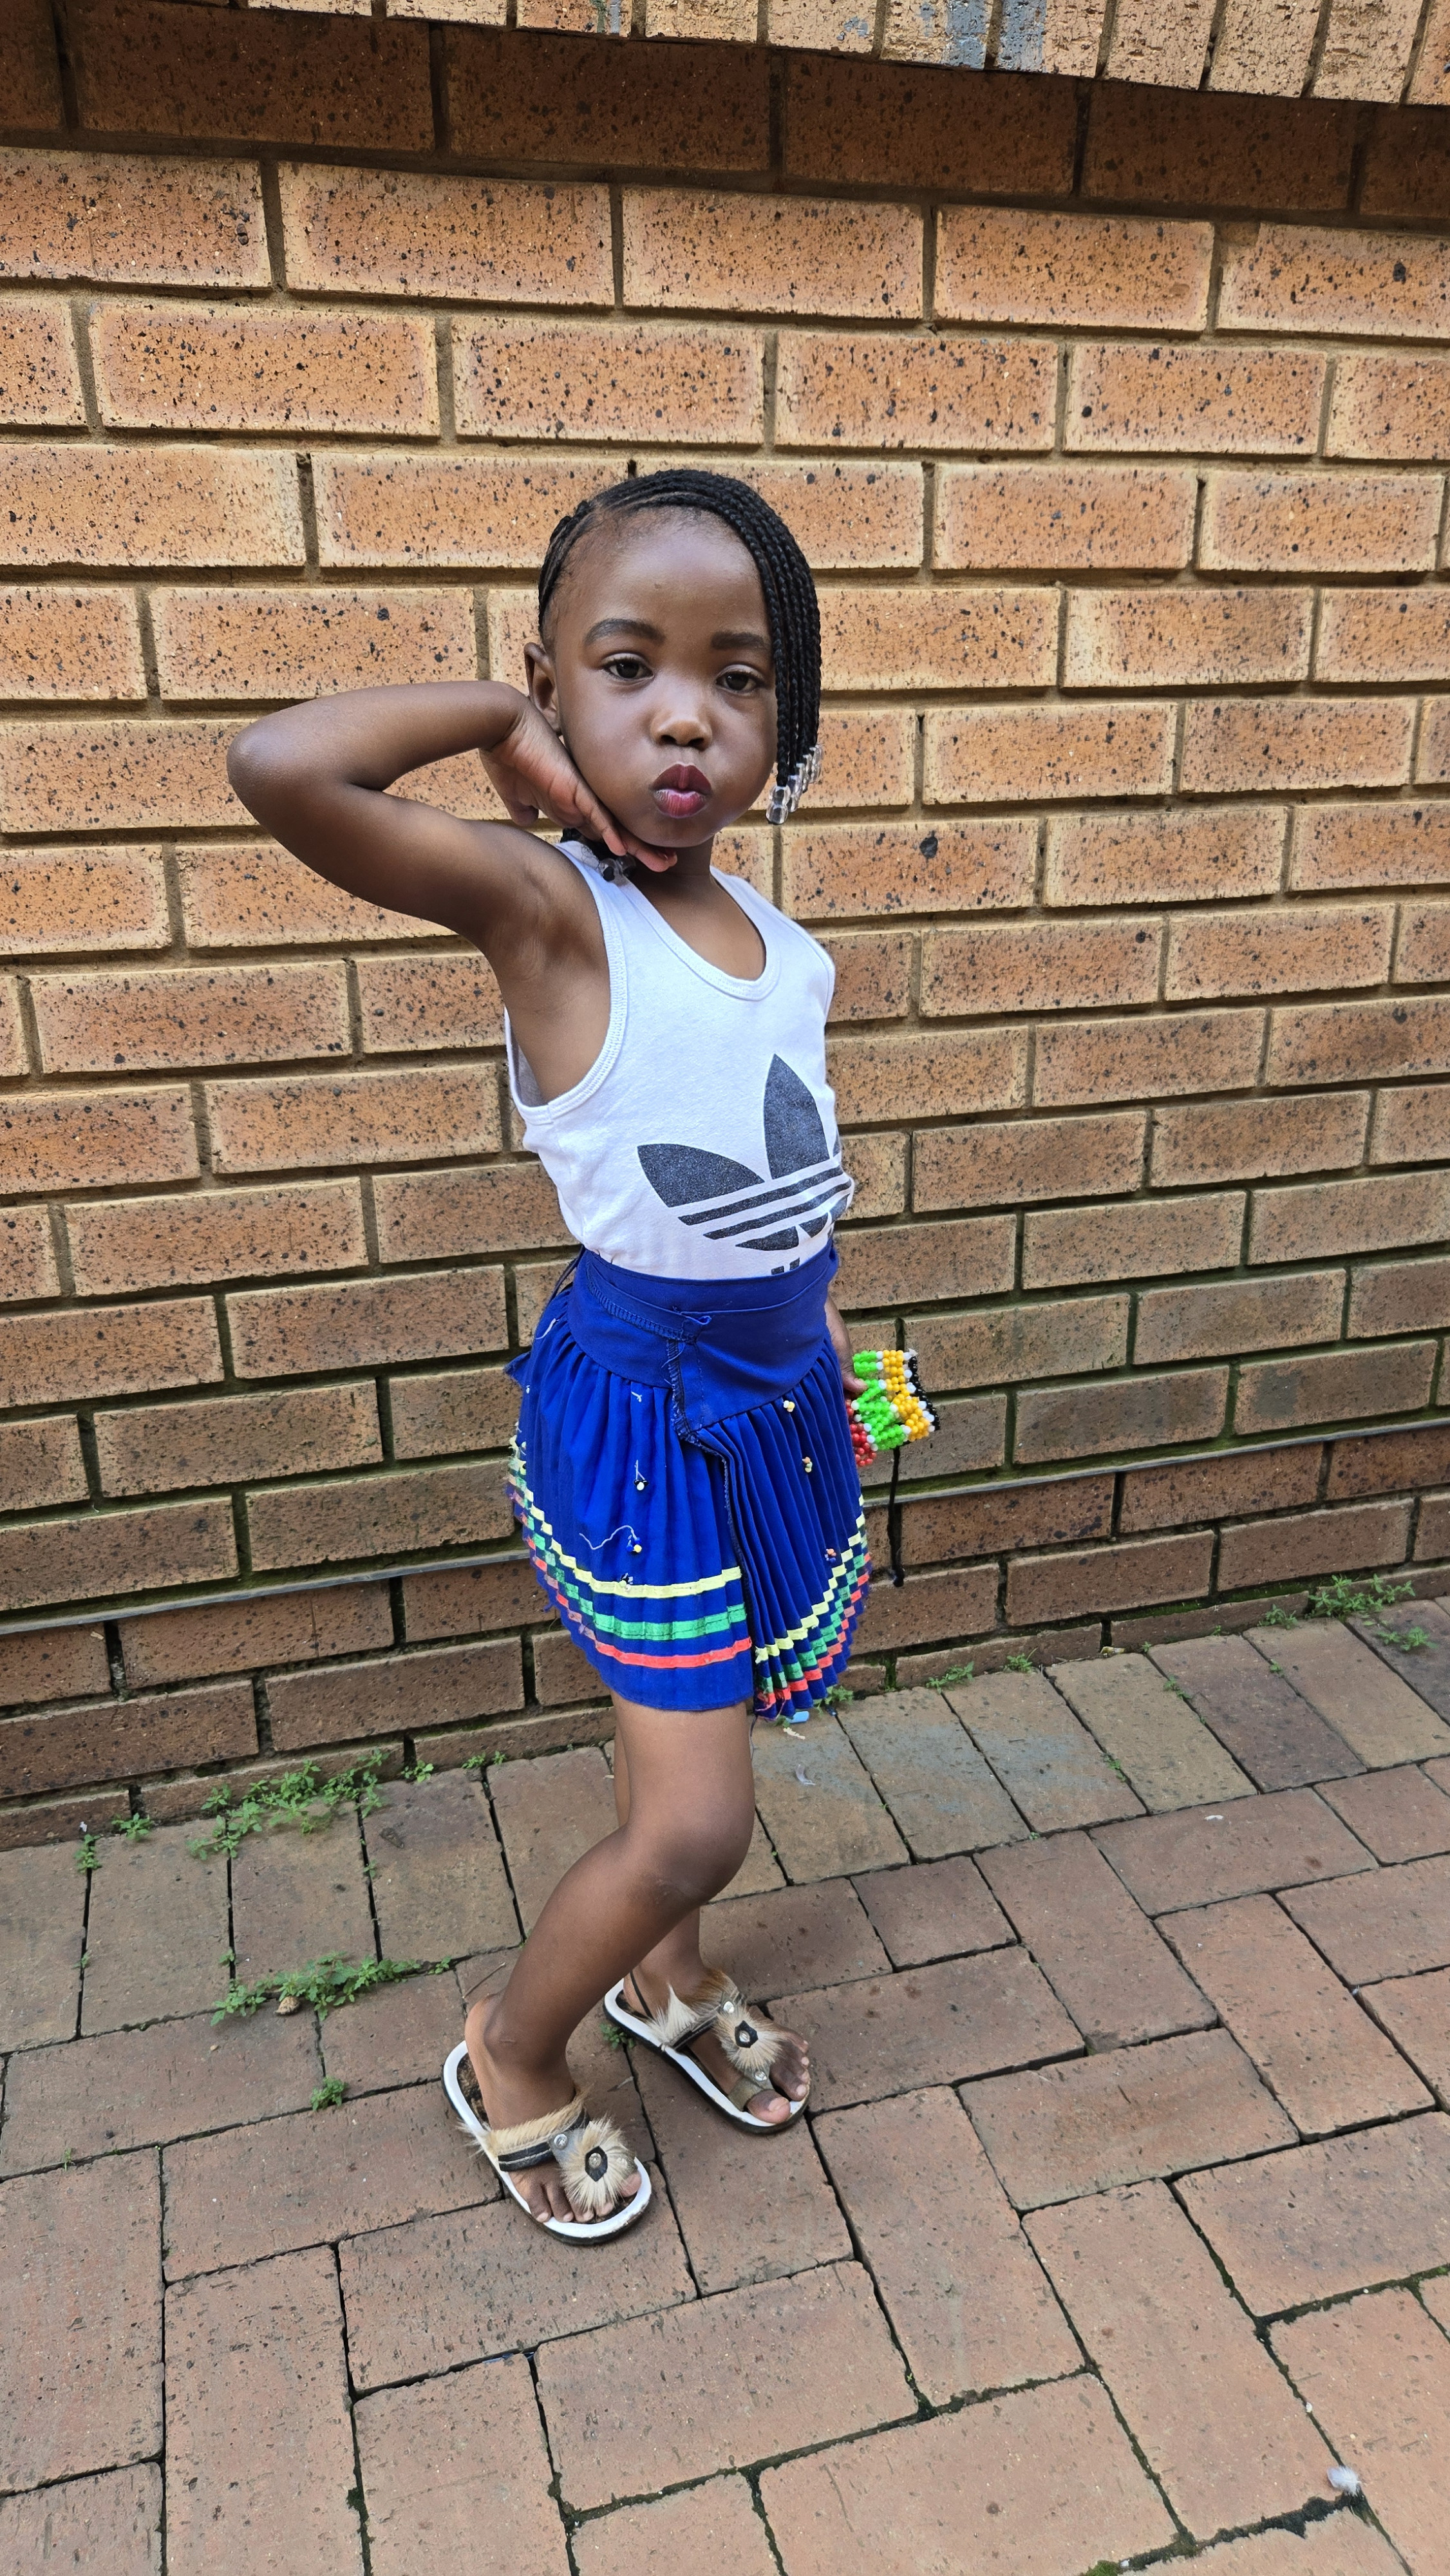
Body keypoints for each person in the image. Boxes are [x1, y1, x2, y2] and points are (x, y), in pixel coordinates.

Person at [227, 468, 869, 2240]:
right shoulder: (552, 912)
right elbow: (285, 770)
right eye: (625, 667)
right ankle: (513, 2051)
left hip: (769, 1401)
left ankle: (665, 1981)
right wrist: (496, 728)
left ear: (784, 720)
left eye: (738, 678)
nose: (685, 715)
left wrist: (827, 1333)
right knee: (696, 1822)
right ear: (553, 686)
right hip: (643, 1412)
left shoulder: (785, 945)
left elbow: (790, 1159)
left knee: (701, 1733)